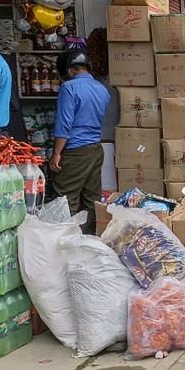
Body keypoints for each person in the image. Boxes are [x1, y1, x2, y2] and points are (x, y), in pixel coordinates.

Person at [50, 49, 110, 234]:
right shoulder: (102, 89)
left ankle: (63, 242)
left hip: (75, 151)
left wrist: (57, 153)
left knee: (65, 199)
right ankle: (90, 240)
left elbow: (64, 124)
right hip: (95, 149)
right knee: (91, 200)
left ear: (69, 70)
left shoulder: (69, 88)